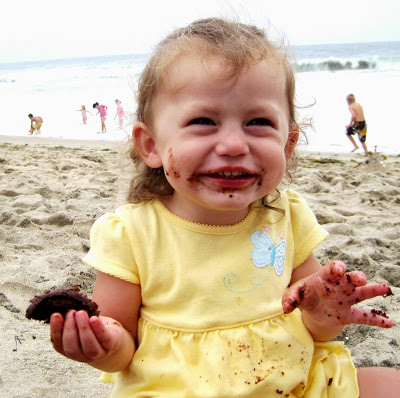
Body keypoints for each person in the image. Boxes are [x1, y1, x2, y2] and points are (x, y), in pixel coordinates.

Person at [50, 18, 400, 397]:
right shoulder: (131, 233)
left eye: (258, 121)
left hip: (300, 384)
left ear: (288, 143)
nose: (233, 144)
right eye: (203, 121)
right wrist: (100, 346)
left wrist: (324, 312)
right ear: (150, 145)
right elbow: (122, 349)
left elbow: (317, 327)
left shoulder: (287, 214)